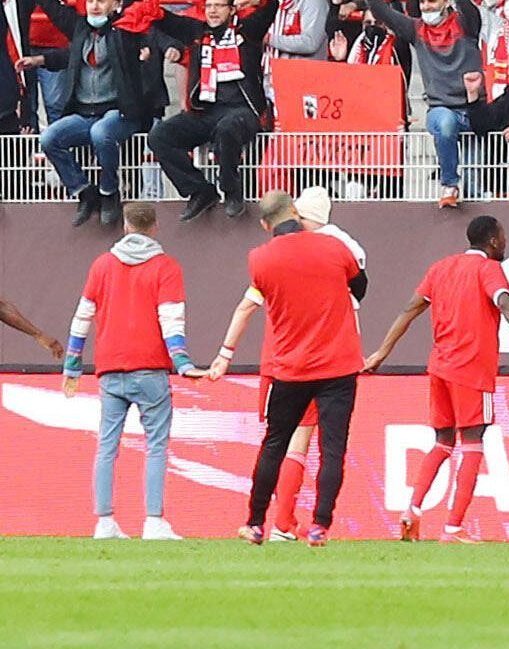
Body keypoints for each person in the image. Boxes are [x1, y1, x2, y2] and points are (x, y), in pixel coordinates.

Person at [208, 189, 368, 544]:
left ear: (265, 224)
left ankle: (255, 523)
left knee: (275, 443)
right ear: (295, 211)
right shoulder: (334, 248)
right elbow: (359, 287)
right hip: (338, 364)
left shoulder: (260, 259)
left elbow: (254, 301)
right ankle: (320, 526)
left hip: (290, 366)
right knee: (333, 447)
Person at [365, 212, 509, 543]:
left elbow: (409, 308)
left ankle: (412, 510)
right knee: (473, 443)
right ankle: (453, 528)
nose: (505, 242)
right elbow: (504, 302)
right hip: (471, 370)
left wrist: (382, 351)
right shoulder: (489, 269)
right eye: (503, 236)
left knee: (442, 441)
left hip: (439, 368)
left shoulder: (441, 268)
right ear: (493, 240)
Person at [64, 201, 193, 539]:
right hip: (150, 369)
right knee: (156, 445)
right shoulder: (167, 267)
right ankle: (153, 521)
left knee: (107, 445)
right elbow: (171, 320)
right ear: (155, 227)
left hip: (110, 369)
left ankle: (104, 521)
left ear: (125, 226)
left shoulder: (102, 265)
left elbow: (82, 317)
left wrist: (72, 364)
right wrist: (182, 362)